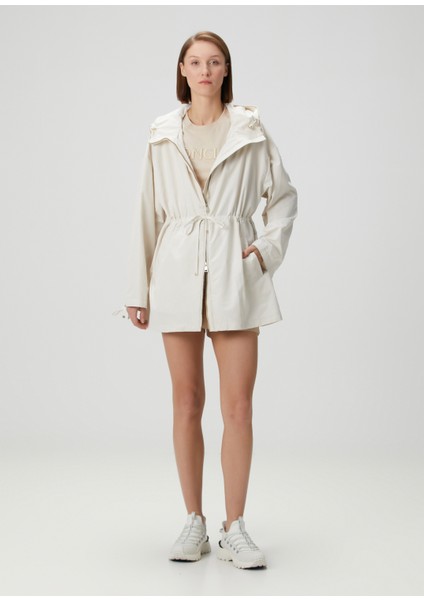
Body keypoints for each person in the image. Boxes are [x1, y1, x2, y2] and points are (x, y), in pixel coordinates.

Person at [113, 31, 298, 569]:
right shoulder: (161, 135)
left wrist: (263, 253)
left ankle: (234, 526)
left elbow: (284, 198)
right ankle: (193, 520)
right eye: (195, 62)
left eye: (214, 62)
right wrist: (137, 289)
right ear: (182, 70)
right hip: (175, 273)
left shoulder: (251, 130)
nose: (204, 70)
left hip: (235, 274)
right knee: (187, 401)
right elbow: (146, 212)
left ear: (225, 70)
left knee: (238, 407)